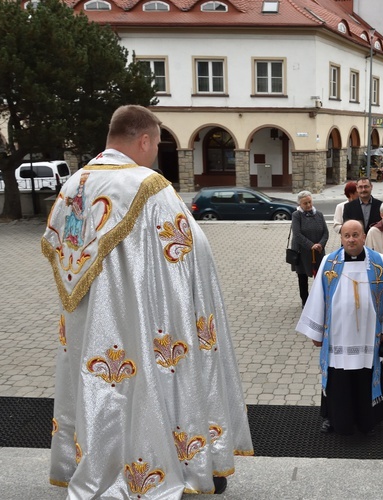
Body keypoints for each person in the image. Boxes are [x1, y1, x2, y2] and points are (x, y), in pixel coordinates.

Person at [41, 105, 253, 498]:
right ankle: (180, 467)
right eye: (156, 143)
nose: (156, 152)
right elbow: (187, 251)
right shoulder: (148, 186)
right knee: (154, 385)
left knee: (98, 388)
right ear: (143, 140)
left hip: (89, 324)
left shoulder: (74, 185)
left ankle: (89, 467)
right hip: (141, 316)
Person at [296, 219, 383, 436]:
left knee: (365, 377)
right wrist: (316, 334)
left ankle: (367, 420)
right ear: (341, 238)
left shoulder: (378, 262)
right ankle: (334, 419)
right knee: (337, 380)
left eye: (355, 235)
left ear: (364, 237)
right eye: (346, 235)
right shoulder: (329, 262)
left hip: (368, 337)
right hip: (337, 336)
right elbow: (317, 298)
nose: (351, 239)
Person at [291, 191, 329, 307]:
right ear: (300, 204)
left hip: (318, 252)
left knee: (320, 276)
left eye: (309, 202)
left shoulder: (319, 214)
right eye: (305, 203)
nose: (308, 205)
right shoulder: (297, 215)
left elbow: (325, 233)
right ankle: (305, 301)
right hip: (302, 252)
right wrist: (311, 245)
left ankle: (321, 299)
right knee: (302, 277)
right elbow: (297, 234)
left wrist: (320, 245)